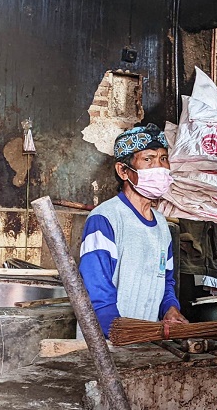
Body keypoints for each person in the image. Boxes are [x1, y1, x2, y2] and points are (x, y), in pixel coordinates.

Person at [79, 123, 188, 337]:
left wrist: (170, 308)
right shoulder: (104, 219)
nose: (160, 167)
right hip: (107, 344)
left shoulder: (162, 226)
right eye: (148, 159)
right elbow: (97, 293)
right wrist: (120, 334)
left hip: (145, 341)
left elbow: (166, 281)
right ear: (123, 170)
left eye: (163, 159)